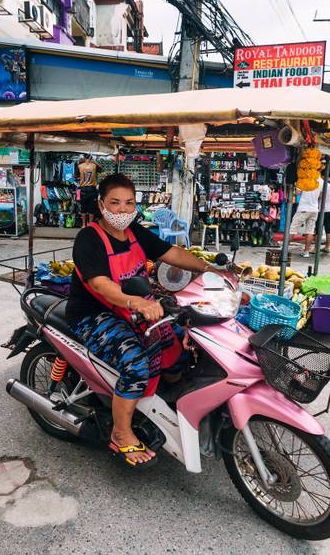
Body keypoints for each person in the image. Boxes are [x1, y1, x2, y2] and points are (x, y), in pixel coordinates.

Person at [67, 174, 226, 467]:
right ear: (101, 204)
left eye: (129, 203)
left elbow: (172, 253)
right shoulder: (88, 238)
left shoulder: (136, 232)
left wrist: (210, 270)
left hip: (135, 307)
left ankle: (165, 401)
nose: (123, 210)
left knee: (177, 345)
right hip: (93, 313)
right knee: (136, 363)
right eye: (115, 203)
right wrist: (136, 301)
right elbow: (101, 284)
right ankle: (121, 432)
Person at [292, 175, 322, 258]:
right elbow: (321, 195)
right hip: (314, 209)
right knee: (310, 231)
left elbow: (297, 192)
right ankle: (306, 251)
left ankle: (285, 250)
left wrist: (296, 185)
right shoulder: (321, 181)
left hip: (304, 208)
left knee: (293, 229)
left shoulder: (304, 179)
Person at [77, 155, 101, 227]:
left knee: (83, 208)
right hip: (92, 189)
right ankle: (90, 224)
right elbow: (101, 169)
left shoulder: (80, 166)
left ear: (84, 158)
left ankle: (83, 224)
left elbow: (76, 175)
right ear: (91, 158)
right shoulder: (94, 166)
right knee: (91, 208)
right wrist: (95, 162)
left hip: (83, 189)